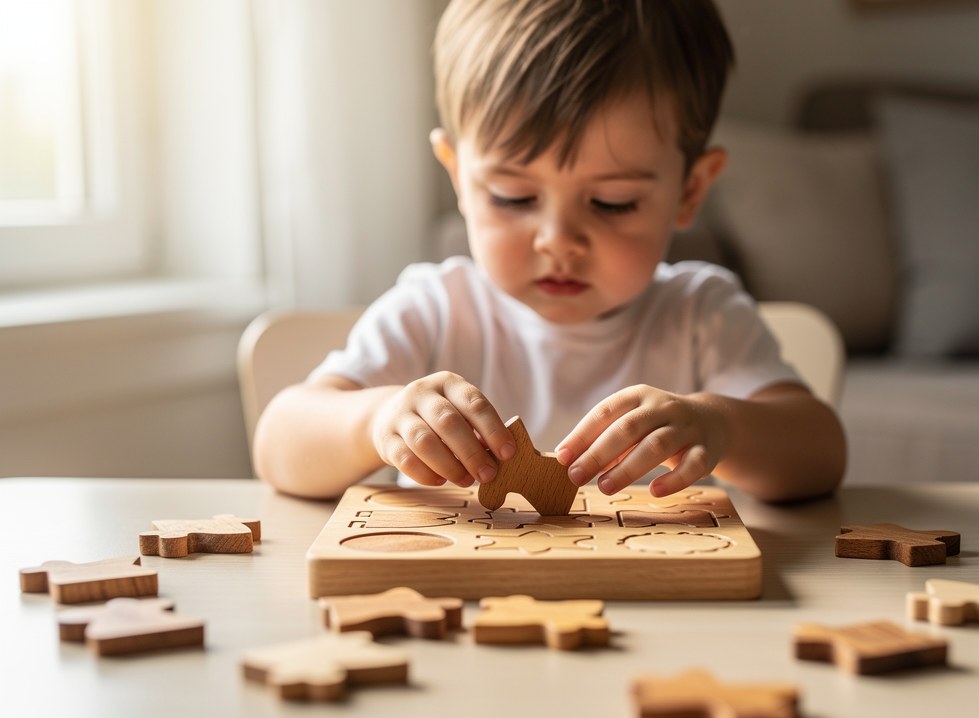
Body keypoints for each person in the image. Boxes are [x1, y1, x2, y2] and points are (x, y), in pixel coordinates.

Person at [254, 0, 846, 502]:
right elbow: (279, 442)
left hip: (661, 609)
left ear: (689, 190)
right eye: (513, 197)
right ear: (460, 179)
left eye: (613, 202)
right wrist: (374, 421)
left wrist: (723, 425)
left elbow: (820, 452)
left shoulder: (702, 315)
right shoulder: (435, 309)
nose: (557, 240)